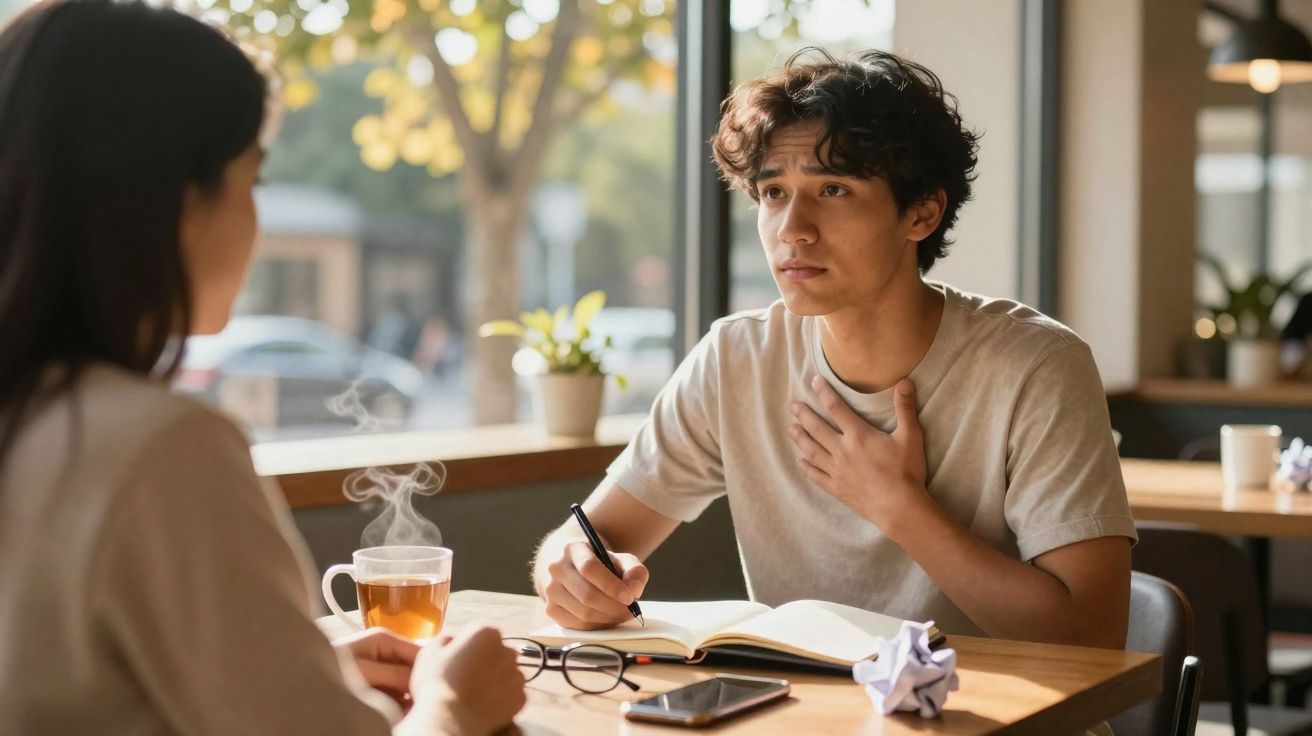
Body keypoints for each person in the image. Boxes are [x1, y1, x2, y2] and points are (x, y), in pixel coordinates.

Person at [0, 2, 524, 734]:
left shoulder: (35, 419)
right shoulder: (160, 448)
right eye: (252, 181)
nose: (256, 219)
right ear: (177, 200)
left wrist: (295, 658)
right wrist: (452, 707)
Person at [533, 49, 1137, 651]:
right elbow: (588, 537)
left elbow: (1091, 634)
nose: (793, 227)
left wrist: (900, 509)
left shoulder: (1035, 365)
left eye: (832, 188)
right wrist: (571, 572)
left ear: (921, 213)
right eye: (773, 192)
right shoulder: (737, 359)